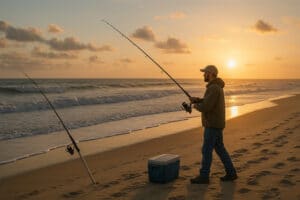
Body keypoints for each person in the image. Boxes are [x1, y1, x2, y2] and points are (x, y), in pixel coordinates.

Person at [189, 65, 237, 184]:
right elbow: (208, 101)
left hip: (212, 125)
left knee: (206, 150)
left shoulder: (214, 88)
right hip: (216, 123)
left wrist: (195, 105)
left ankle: (204, 176)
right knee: (220, 149)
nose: (203, 75)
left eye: (205, 73)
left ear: (210, 74)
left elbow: (207, 107)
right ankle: (231, 173)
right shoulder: (215, 87)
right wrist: (198, 100)